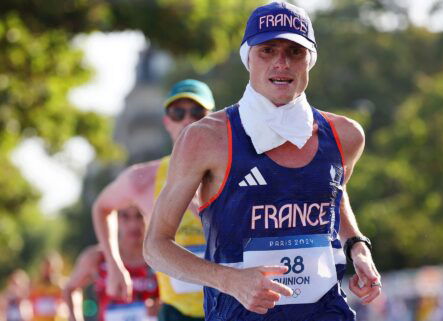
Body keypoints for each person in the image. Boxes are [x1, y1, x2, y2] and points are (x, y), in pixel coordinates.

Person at [144, 2, 382, 320]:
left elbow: (333, 196)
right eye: (267, 50)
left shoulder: (346, 136)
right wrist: (230, 281)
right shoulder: (206, 138)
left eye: (295, 51)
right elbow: (156, 247)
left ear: (310, 59)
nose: (281, 63)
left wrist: (357, 247)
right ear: (248, 58)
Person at [92, 79, 215, 321]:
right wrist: (115, 266)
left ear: (213, 119)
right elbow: (102, 206)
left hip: (230, 307)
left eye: (197, 112)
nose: (187, 119)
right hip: (175, 312)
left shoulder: (237, 173)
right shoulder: (144, 179)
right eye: (178, 112)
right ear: (167, 122)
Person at [63, 206, 159, 321]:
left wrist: (162, 307)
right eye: (125, 217)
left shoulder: (161, 257)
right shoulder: (97, 257)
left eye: (139, 216)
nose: (133, 224)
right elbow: (70, 289)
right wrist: (74, 318)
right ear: (115, 221)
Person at [29, 252, 68, 321]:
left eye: (50, 267)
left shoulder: (62, 285)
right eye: (45, 267)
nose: (47, 271)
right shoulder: (35, 285)